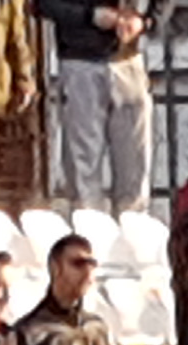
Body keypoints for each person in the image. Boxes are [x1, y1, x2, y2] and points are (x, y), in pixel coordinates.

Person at [42, 0, 152, 215]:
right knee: (83, 167)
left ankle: (133, 228)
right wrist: (90, 16)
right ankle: (87, 228)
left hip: (129, 59)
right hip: (80, 59)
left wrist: (146, 21)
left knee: (134, 163)